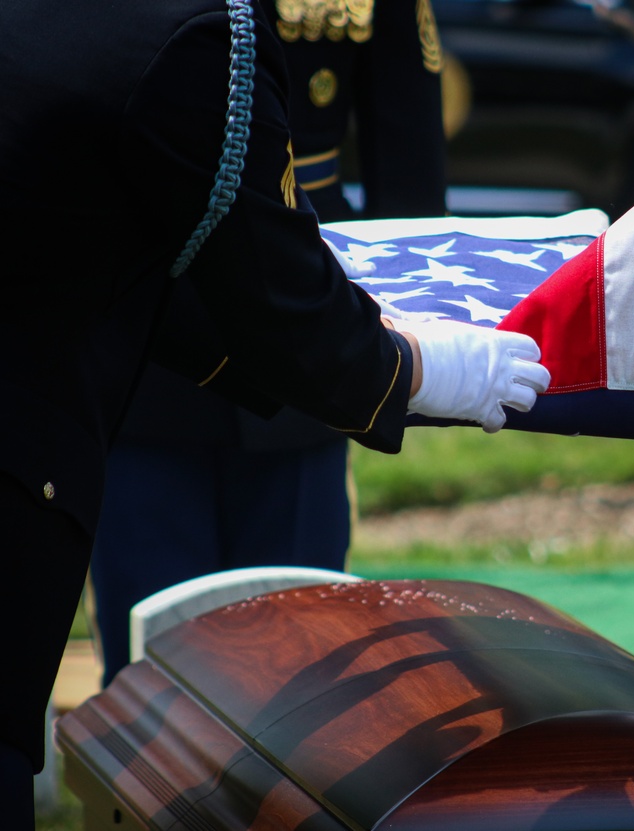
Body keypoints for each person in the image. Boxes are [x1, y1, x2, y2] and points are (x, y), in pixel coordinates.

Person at [0, 0, 550, 826]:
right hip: (182, 344)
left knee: (301, 674)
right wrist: (407, 369)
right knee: (155, 701)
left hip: (272, 310)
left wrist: (411, 309)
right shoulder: (198, 27)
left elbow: (401, 130)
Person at [87, 0, 449, 689]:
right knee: (150, 667)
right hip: (149, 312)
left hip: (307, 306)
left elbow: (407, 151)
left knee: (301, 659)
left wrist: (402, 319)